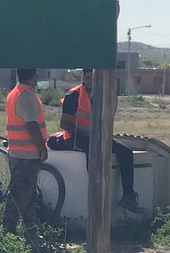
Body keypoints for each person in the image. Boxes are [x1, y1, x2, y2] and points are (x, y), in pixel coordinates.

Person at [47, 69, 145, 213]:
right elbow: (64, 124)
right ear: (83, 78)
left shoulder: (104, 94)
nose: (90, 81)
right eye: (87, 77)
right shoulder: (74, 95)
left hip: (98, 137)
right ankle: (95, 195)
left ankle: (128, 196)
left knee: (126, 152)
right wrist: (86, 133)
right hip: (75, 137)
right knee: (93, 154)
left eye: (93, 78)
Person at [4, 69, 49, 238]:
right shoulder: (28, 97)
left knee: (29, 194)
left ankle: (31, 232)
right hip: (27, 154)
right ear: (34, 76)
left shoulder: (14, 93)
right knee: (18, 195)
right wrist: (42, 148)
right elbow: (32, 126)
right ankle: (8, 232)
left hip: (17, 152)